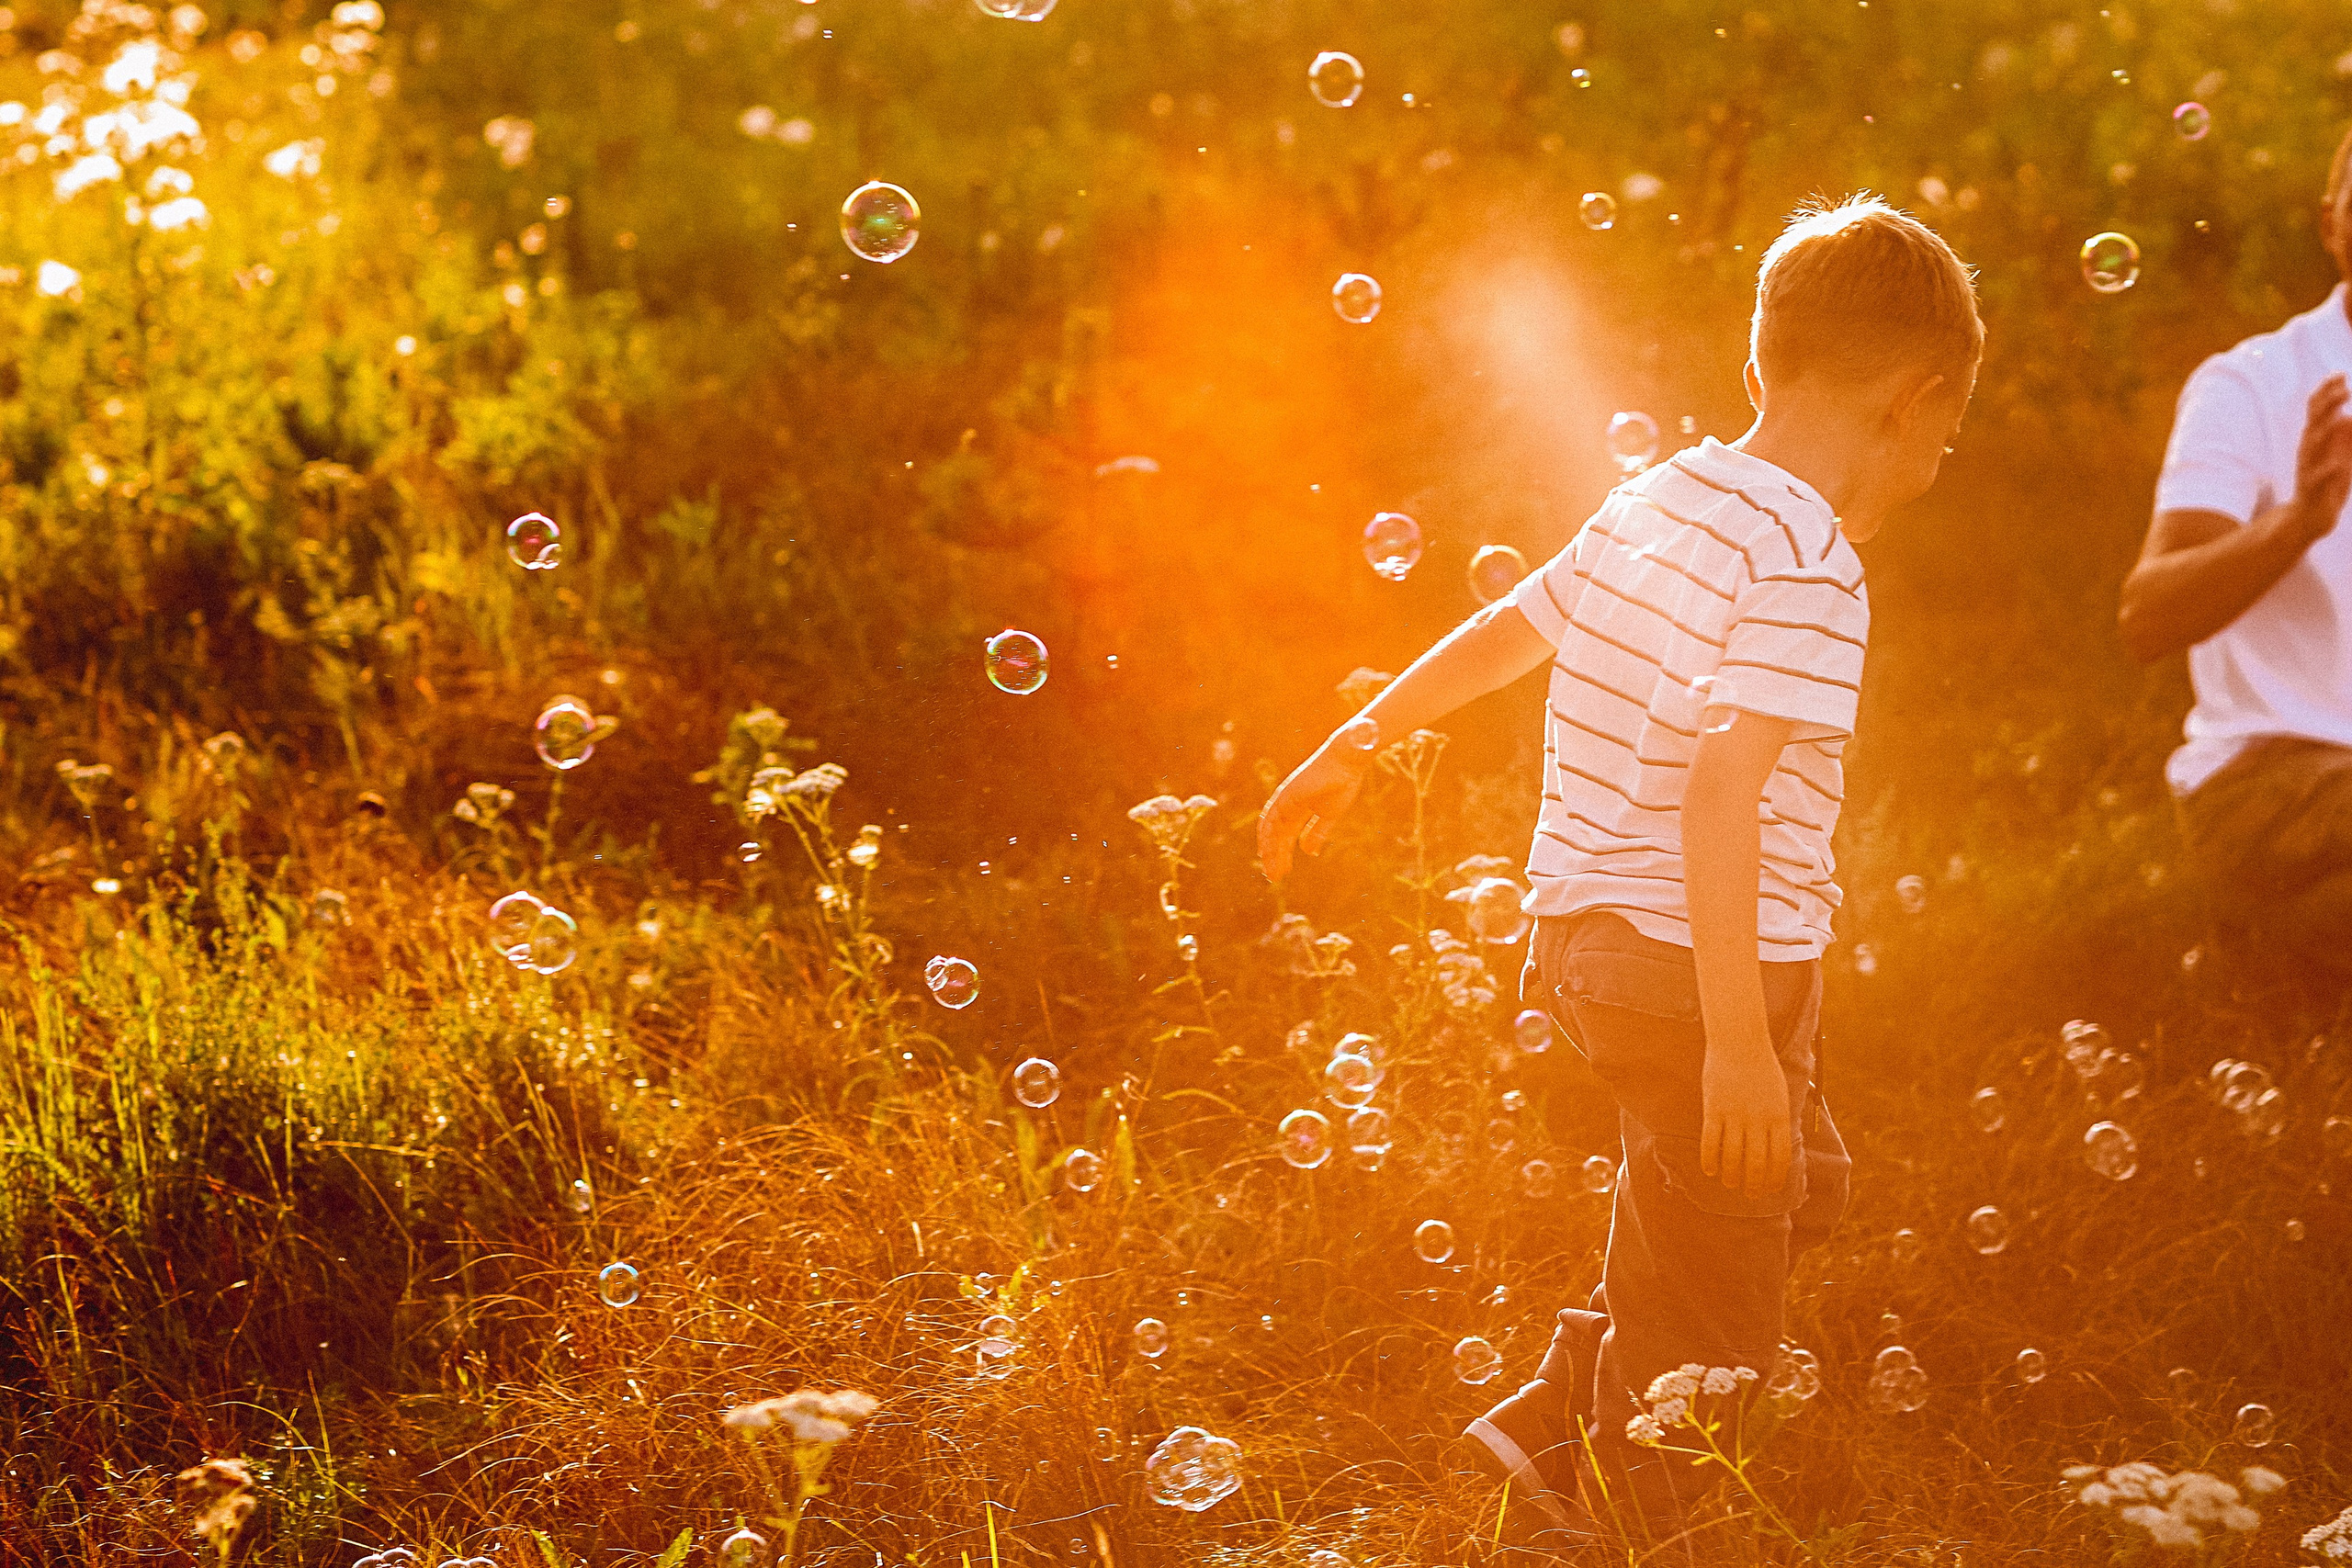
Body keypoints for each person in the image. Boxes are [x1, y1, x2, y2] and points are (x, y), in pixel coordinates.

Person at [1258, 195, 1981, 1555]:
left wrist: (1357, 736)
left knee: (1769, 1189)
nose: (1945, 455)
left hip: (1582, 946)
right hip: (1710, 964)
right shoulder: (1814, 562)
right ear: (1917, 399)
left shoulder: (1662, 494)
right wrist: (1736, 1043)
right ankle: (1632, 1518)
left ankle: (1548, 1413)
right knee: (1716, 1320)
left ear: (1761, 369)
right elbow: (1723, 797)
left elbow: (1508, 624)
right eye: (1951, 427)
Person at [2120, 128, 2352, 987]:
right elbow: (2148, 615)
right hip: (2263, 780)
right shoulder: (2251, 384)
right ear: (2331, 224)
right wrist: (2295, 525)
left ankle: (2284, 957)